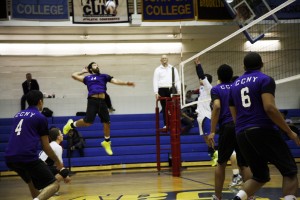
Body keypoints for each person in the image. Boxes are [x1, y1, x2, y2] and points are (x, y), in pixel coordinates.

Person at [229, 52, 300, 200]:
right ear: (262, 64)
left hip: (241, 133)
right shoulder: (265, 79)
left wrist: (243, 129)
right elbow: (269, 108)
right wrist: (289, 132)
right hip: (262, 129)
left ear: (244, 66)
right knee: (290, 172)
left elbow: (234, 114)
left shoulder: (234, 85)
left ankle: (237, 199)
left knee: (260, 176)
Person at [63, 62, 135, 156]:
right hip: (92, 101)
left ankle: (106, 142)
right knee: (88, 122)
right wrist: (82, 72)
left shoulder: (104, 76)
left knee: (107, 122)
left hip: (102, 102)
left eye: (97, 65)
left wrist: (126, 83)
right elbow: (73, 75)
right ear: (90, 69)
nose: (97, 66)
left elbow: (115, 81)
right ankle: (71, 124)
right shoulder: (87, 78)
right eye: (94, 65)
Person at [4, 90, 66, 200]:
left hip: (10, 157)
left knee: (32, 185)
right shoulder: (40, 117)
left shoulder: (18, 115)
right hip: (27, 157)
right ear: (40, 102)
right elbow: (46, 147)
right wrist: (57, 161)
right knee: (54, 185)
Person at [208, 64, 252, 200]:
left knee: (221, 163)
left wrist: (212, 131)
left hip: (227, 127)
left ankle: (218, 196)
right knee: (244, 164)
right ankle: (250, 196)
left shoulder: (216, 89)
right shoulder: (237, 87)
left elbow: (216, 106)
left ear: (219, 77)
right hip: (241, 126)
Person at [194, 57, 217, 166]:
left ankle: (215, 153)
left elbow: (201, 76)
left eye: (202, 80)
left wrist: (198, 65)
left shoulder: (209, 87)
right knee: (204, 137)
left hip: (207, 116)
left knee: (209, 136)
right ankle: (212, 151)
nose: (200, 81)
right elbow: (200, 77)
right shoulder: (202, 88)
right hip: (200, 116)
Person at [153, 54, 181, 128]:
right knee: (165, 107)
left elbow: (177, 80)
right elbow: (155, 81)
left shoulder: (173, 68)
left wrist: (179, 90)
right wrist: (156, 92)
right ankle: (166, 124)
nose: (164, 59)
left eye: (165, 58)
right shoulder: (157, 69)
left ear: (168, 59)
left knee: (173, 107)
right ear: (161, 60)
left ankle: (174, 124)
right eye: (163, 58)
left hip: (171, 89)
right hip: (162, 89)